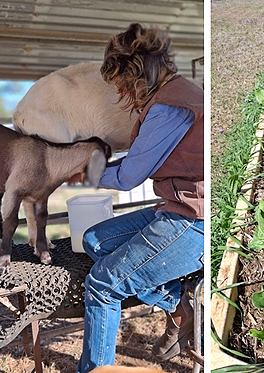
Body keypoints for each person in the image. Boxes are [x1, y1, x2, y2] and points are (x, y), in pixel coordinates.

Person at [77, 23, 204, 373]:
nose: (121, 93)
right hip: (176, 207)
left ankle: (94, 370)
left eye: (121, 84)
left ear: (135, 74)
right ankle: (179, 305)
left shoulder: (168, 108)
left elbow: (131, 175)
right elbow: (137, 164)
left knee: (102, 284)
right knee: (93, 240)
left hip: (193, 220)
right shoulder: (178, 93)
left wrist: (83, 171)